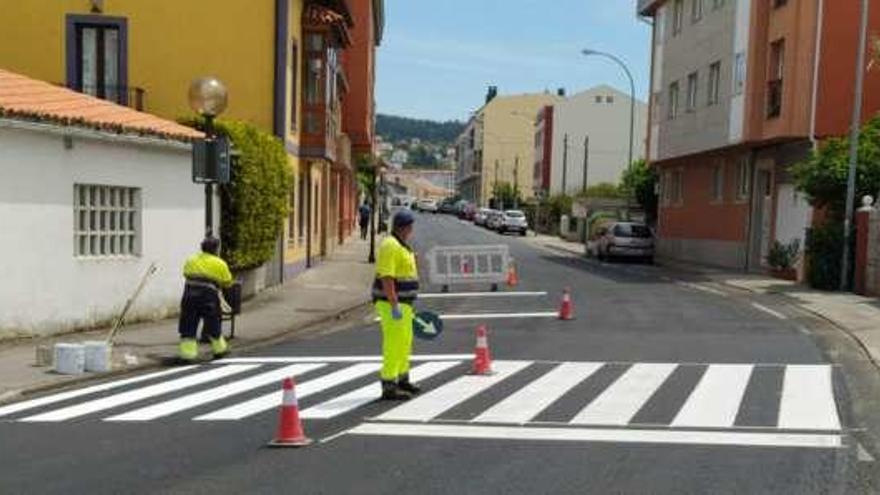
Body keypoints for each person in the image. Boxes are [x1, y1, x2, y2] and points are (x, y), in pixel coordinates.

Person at [372, 210, 421, 400]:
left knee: (405, 341)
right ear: (403, 227)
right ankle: (389, 384)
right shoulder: (390, 245)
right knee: (393, 343)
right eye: (410, 226)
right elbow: (387, 277)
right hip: (392, 303)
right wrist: (394, 304)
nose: (411, 229)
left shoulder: (401, 245)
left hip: (404, 303)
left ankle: (402, 378)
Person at [177, 237, 234, 362]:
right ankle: (220, 350)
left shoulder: (191, 260)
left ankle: (187, 355)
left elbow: (186, 274)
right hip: (208, 297)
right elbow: (227, 283)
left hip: (189, 296)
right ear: (215, 249)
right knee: (213, 323)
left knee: (188, 324)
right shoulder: (220, 263)